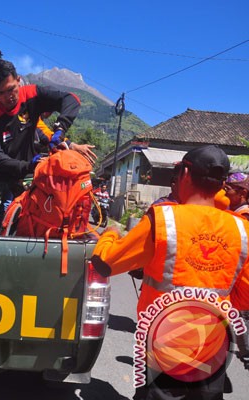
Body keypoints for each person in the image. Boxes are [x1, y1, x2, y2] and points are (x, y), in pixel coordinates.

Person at [90, 144, 249, 399]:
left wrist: (110, 234)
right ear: (221, 183)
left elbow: (105, 264)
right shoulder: (241, 229)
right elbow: (244, 297)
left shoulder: (163, 219)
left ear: (185, 174)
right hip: (213, 346)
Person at [0, 59, 96, 233]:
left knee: (31, 226)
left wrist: (60, 129)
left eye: (11, 89)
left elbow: (71, 99)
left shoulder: (31, 94)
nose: (9, 96)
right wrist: (28, 165)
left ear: (18, 80)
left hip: (27, 177)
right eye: (1, 93)